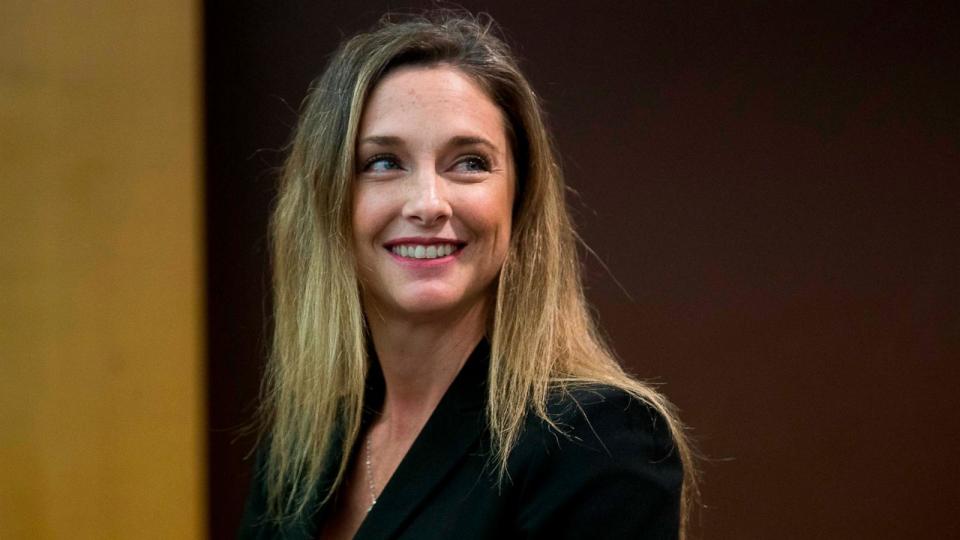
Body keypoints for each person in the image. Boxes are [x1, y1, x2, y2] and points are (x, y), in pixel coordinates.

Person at [240, 11, 698, 540]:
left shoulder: (598, 441)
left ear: (519, 199)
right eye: (384, 163)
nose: (429, 204)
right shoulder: (299, 449)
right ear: (327, 199)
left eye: (470, 163)